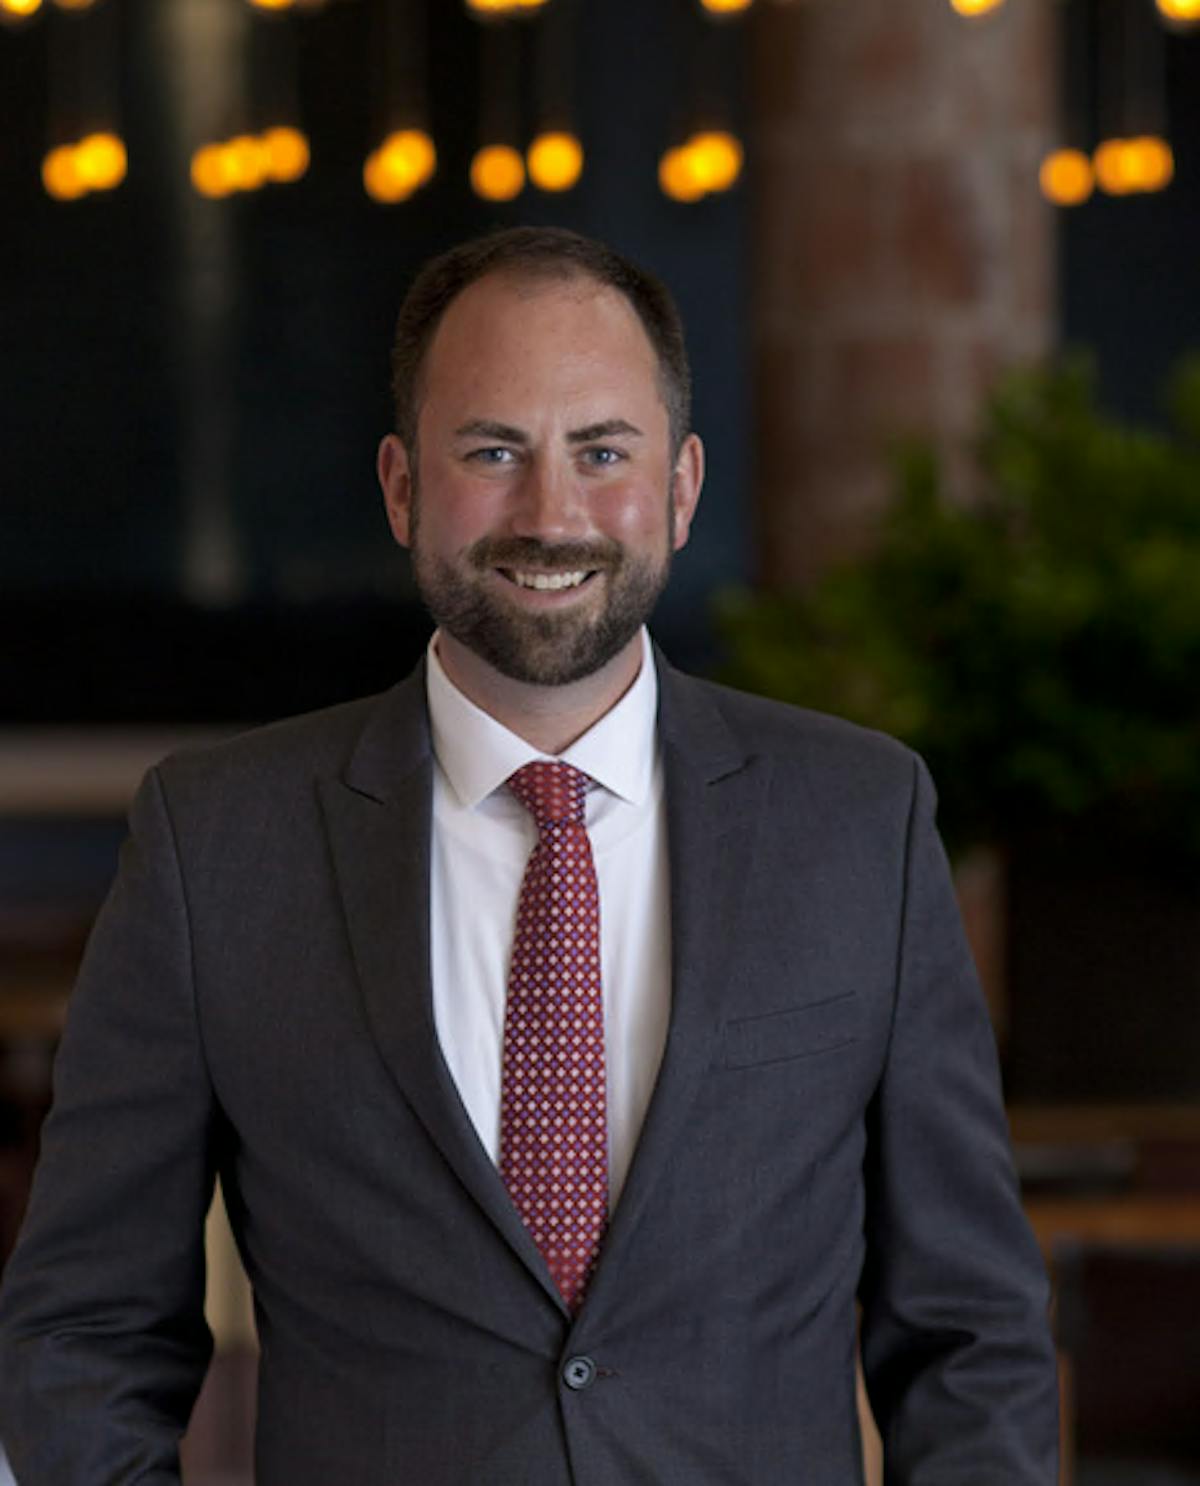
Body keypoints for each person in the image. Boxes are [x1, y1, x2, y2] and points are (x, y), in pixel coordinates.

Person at [0, 227, 1058, 1484]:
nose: (552, 514)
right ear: (400, 487)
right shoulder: (214, 843)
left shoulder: (859, 823)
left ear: (681, 485)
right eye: (493, 451)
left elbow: (972, 1335)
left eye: (602, 452)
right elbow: (84, 1338)